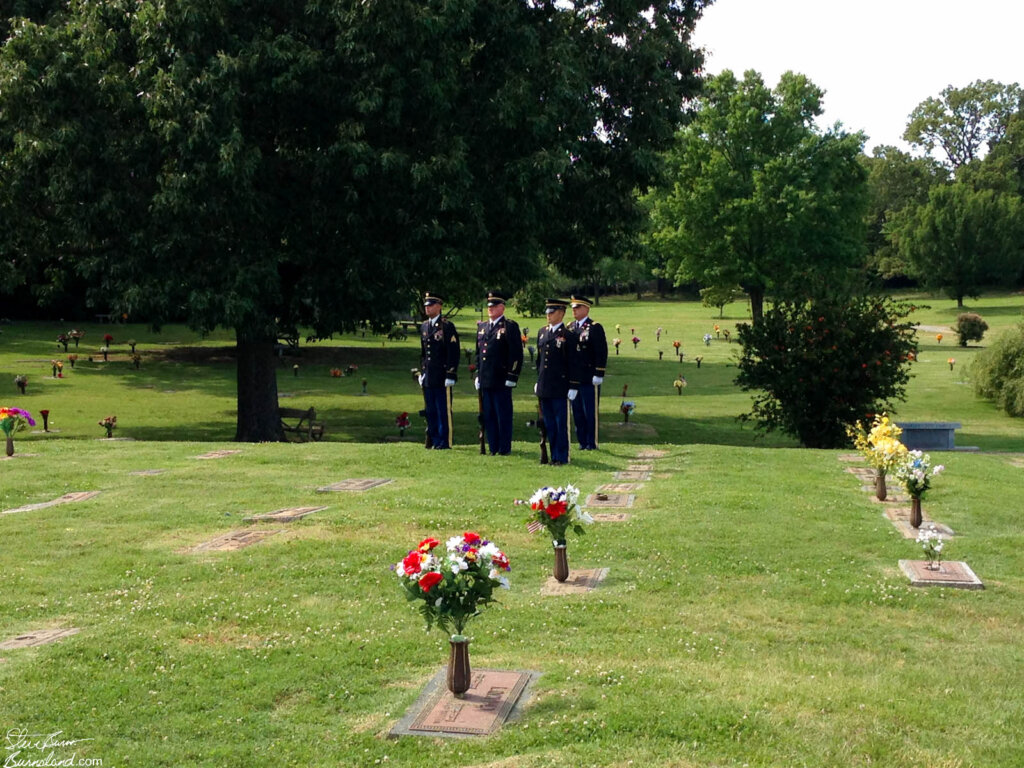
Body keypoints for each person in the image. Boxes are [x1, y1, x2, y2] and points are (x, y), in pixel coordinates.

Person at [475, 292, 523, 455]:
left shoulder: (509, 326)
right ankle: (493, 447)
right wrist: (478, 374)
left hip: (502, 379)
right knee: (489, 416)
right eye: (489, 306)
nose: (490, 309)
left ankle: (504, 448)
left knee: (503, 415)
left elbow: (516, 353)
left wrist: (512, 375)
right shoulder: (482, 327)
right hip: (486, 379)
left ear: (502, 307)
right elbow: (479, 354)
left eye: (494, 306)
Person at [419, 292, 460, 449]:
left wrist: (451, 373)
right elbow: (424, 353)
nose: (427, 308)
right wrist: (422, 372)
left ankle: (444, 441)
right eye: (426, 306)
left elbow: (453, 352)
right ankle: (434, 439)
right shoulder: (424, 326)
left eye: (431, 305)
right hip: (429, 375)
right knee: (431, 410)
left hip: (442, 375)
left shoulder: (447, 327)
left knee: (443, 410)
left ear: (439, 306)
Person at [567, 295, 607, 450]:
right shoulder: (570, 327)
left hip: (589, 377)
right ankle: (582, 441)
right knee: (577, 411)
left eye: (577, 308)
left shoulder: (594, 327)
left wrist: (599, 373)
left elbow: (601, 351)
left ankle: (592, 442)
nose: (574, 311)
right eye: (573, 308)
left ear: (586, 308)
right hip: (574, 378)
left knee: (589, 411)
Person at [535, 298, 572, 465]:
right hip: (545, 386)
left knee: (560, 425)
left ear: (561, 313)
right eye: (547, 312)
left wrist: (574, 385)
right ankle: (552, 455)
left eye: (552, 312)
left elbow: (573, 363)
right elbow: (540, 361)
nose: (548, 315)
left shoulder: (568, 335)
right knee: (549, 424)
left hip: (560, 387)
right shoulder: (543, 332)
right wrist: (539, 380)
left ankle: (561, 456)